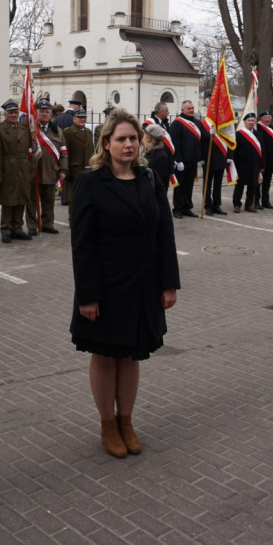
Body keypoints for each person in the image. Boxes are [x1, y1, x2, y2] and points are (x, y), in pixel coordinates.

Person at [69, 108, 180, 458]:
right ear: (106, 143)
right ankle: (107, 424)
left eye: (133, 138)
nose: (129, 144)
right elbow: (82, 243)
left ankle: (126, 421)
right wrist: (87, 295)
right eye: (121, 139)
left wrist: (168, 284)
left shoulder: (149, 178)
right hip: (105, 285)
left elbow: (164, 232)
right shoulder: (90, 182)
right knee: (105, 355)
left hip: (143, 284)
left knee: (132, 355)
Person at [0, 101, 34, 243]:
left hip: (23, 168)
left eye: (15, 112)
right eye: (10, 113)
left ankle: (18, 228)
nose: (14, 115)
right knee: (8, 200)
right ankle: (6, 229)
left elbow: (30, 150)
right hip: (7, 168)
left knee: (21, 198)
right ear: (5, 114)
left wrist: (31, 170)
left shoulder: (24, 128)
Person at [26, 101, 68, 235]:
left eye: (47, 112)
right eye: (41, 111)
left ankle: (48, 224)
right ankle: (32, 225)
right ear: (36, 113)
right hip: (34, 170)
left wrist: (63, 170)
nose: (44, 114)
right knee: (32, 201)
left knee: (49, 200)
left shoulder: (58, 131)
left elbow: (64, 152)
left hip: (51, 170)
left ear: (51, 114)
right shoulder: (30, 130)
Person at [168, 100, 203, 218]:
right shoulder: (177, 123)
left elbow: (202, 140)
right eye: (189, 108)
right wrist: (178, 160)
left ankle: (187, 208)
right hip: (181, 162)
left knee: (189, 186)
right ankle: (177, 209)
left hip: (193, 161)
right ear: (182, 110)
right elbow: (175, 143)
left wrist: (211, 133)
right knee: (180, 186)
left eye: (192, 108)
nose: (191, 110)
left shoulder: (197, 123)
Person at [61, 108, 95, 212]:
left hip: (88, 170)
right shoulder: (68, 132)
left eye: (84, 117)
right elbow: (65, 153)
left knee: (87, 199)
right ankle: (73, 224)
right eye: (79, 117)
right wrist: (66, 170)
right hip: (74, 171)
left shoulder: (89, 132)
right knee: (74, 199)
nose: (82, 119)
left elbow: (91, 150)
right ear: (73, 119)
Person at [232, 113, 263, 213]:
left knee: (252, 185)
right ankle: (237, 205)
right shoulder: (238, 134)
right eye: (249, 120)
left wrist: (262, 165)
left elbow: (263, 151)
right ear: (244, 122)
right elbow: (234, 151)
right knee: (239, 185)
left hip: (254, 164)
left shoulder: (258, 134)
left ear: (255, 122)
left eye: (253, 120)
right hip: (241, 164)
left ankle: (249, 204)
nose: (251, 122)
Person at [257, 110, 273, 208]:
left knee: (267, 183)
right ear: (261, 118)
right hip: (260, 161)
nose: (268, 119)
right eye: (265, 117)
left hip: (270, 161)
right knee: (258, 183)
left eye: (269, 117)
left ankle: (265, 201)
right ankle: (256, 202)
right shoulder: (257, 128)